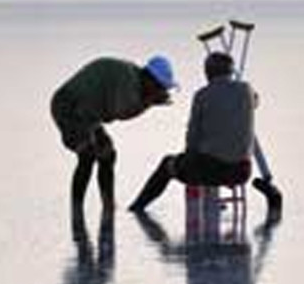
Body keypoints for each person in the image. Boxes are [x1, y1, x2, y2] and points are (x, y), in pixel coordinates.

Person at [128, 51, 257, 212]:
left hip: (211, 170)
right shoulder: (247, 91)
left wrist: (186, 160)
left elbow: (192, 139)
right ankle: (211, 200)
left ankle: (137, 207)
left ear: (207, 73)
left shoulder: (202, 96)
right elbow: (255, 100)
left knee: (167, 164)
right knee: (206, 157)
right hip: (242, 171)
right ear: (231, 71)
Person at [51, 55, 178, 210]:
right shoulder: (129, 81)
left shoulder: (136, 81)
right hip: (68, 106)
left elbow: (115, 112)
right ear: (150, 79)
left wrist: (149, 100)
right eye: (160, 87)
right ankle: (76, 208)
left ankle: (108, 205)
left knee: (107, 154)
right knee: (87, 155)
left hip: (89, 114)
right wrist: (149, 102)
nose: (161, 91)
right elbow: (120, 112)